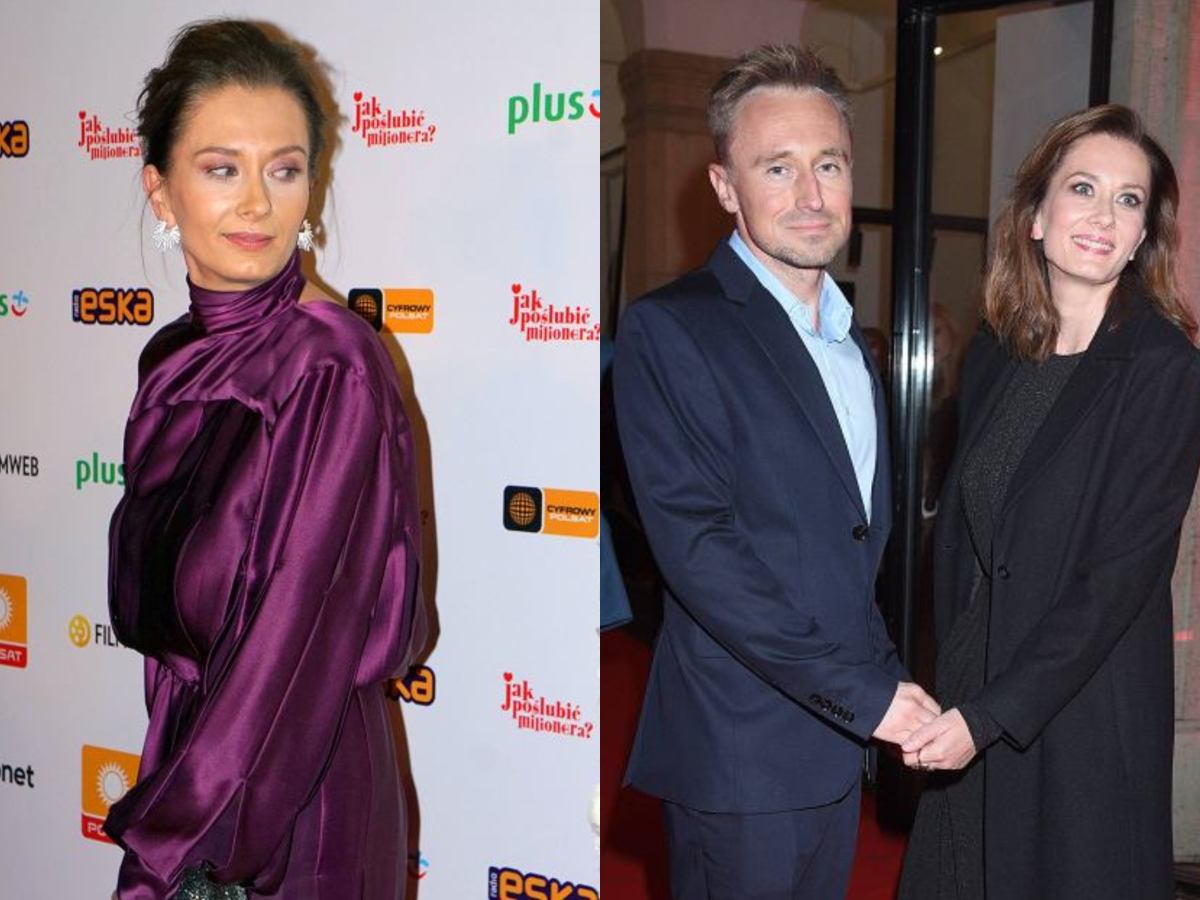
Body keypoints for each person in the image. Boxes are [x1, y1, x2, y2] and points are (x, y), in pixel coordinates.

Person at [104, 20, 425, 899]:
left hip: (289, 799)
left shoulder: (329, 365)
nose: (257, 203)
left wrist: (178, 847)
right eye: (222, 169)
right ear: (161, 191)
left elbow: (292, 641)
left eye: (284, 170)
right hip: (197, 762)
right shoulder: (171, 360)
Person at [613, 44, 940, 899]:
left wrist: (889, 681)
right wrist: (864, 695)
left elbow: (847, 549)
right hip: (740, 756)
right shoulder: (674, 329)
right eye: (777, 167)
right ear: (725, 187)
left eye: (828, 164)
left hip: (833, 746)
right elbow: (702, 553)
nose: (810, 195)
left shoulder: (849, 341)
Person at [898, 104, 1200, 900]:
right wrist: (949, 684)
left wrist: (992, 715)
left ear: (1142, 236)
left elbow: (1118, 579)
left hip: (1078, 717)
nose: (1104, 215)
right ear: (1036, 216)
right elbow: (968, 544)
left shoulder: (1163, 369)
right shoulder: (997, 352)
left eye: (1128, 200)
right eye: (1083, 188)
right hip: (973, 696)